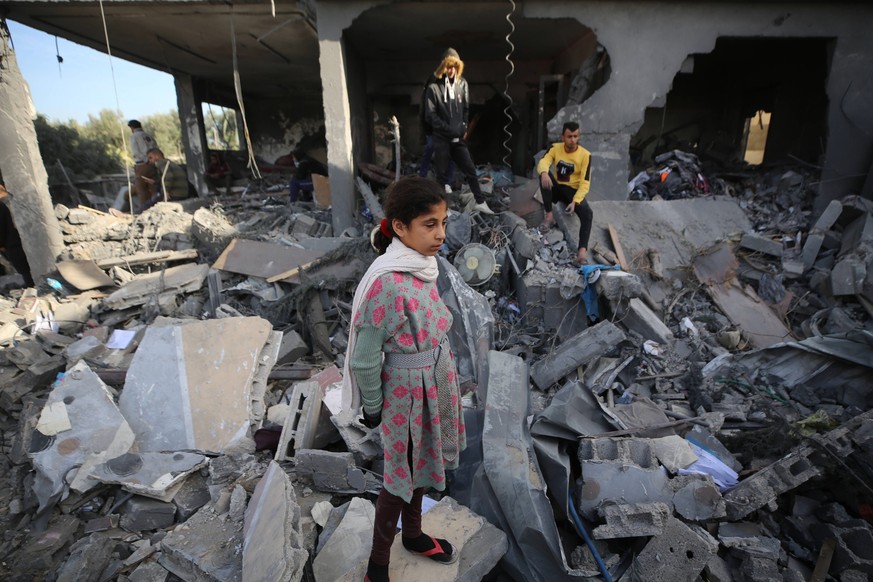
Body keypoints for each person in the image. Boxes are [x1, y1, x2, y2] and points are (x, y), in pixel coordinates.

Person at [343, 176, 465, 582]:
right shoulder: (386, 283)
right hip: (406, 393)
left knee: (422, 465)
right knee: (398, 480)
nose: (441, 234)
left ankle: (412, 535)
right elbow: (364, 360)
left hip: (432, 382)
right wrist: (374, 410)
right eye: (430, 224)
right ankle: (378, 564)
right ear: (399, 227)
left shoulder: (422, 266)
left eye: (443, 222)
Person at [424, 48, 494, 215]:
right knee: (441, 176)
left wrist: (463, 127)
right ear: (443, 67)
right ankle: (443, 209)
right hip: (442, 137)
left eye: (455, 67)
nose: (451, 70)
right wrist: (448, 129)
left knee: (470, 169)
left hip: (458, 138)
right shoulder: (434, 87)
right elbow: (430, 115)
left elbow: (466, 109)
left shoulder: (462, 84)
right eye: (448, 66)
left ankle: (480, 202)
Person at [536, 121, 594, 263]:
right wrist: (543, 172)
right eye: (569, 136)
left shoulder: (585, 155)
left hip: (573, 192)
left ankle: (581, 253)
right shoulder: (555, 148)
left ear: (578, 137)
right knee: (544, 176)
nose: (572, 140)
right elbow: (544, 161)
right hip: (557, 188)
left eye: (575, 136)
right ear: (563, 137)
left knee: (588, 214)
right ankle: (549, 217)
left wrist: (575, 201)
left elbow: (585, 182)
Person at [417, 73, 455, 185]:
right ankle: (422, 177)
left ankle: (448, 182)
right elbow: (424, 114)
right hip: (433, 130)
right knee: (429, 149)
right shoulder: (428, 95)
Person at [0, 183, 34, 287]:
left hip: (13, 245)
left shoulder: (2, 206)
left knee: (25, 274)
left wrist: (1, 246)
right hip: (27, 241)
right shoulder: (15, 201)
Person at [128, 120, 158, 205]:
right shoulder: (148, 135)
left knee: (141, 188)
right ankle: (156, 205)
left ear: (132, 128)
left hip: (142, 164)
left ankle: (143, 209)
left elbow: (136, 152)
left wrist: (146, 160)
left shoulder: (134, 136)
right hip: (153, 164)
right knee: (153, 186)